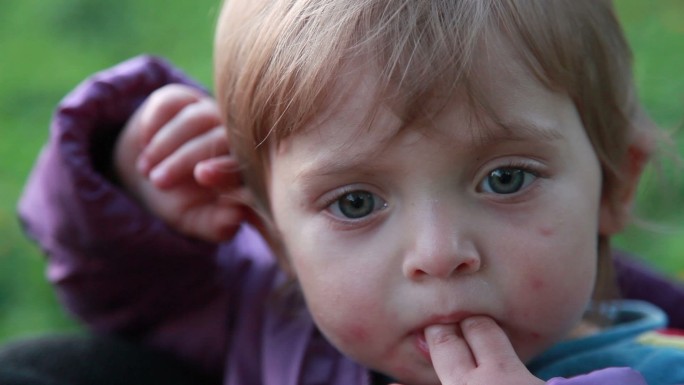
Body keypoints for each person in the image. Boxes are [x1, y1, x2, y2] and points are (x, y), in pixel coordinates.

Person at [7, 0, 684, 384]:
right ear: (274, 235)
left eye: (505, 179)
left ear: (614, 182)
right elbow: (127, 296)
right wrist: (136, 191)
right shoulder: (279, 323)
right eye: (356, 202)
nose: (439, 253)